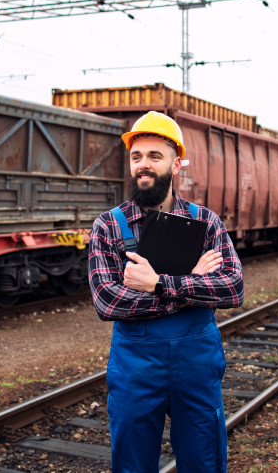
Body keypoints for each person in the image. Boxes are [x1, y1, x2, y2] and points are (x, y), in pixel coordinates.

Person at [88, 111, 245, 473]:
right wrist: (193, 282)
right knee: (132, 465)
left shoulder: (206, 222)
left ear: (176, 165)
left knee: (205, 461)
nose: (144, 165)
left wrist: (159, 283)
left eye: (155, 156)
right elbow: (108, 300)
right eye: (137, 156)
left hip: (196, 364)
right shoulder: (109, 226)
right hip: (135, 369)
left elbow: (233, 288)